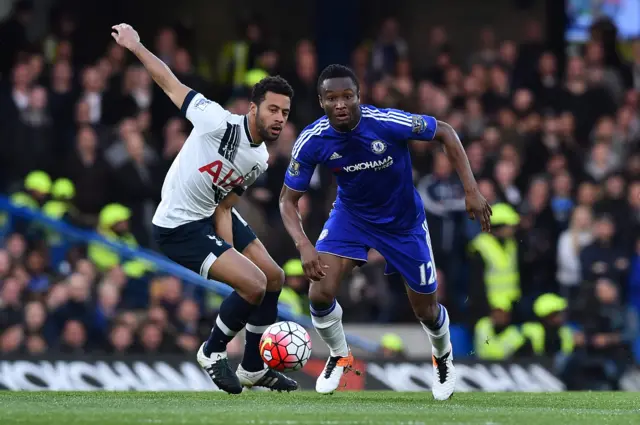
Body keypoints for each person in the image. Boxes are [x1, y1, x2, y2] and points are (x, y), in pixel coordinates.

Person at [279, 64, 492, 399]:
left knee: (426, 309)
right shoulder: (313, 140)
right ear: (321, 101)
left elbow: (446, 132)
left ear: (359, 96)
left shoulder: (386, 123)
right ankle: (338, 354)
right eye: (332, 98)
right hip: (351, 217)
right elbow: (286, 201)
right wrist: (303, 244)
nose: (341, 104)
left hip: (403, 223)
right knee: (319, 292)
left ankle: (442, 357)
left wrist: (471, 191)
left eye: (347, 96)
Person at [111, 23, 297, 394]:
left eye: (285, 113)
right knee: (254, 284)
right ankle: (212, 352)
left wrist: (228, 256)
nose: (279, 118)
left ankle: (252, 367)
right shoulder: (216, 121)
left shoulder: (259, 158)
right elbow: (169, 83)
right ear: (253, 107)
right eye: (273, 109)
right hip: (178, 225)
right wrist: (136, 46)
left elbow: (226, 204)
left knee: (271, 278)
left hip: (211, 212)